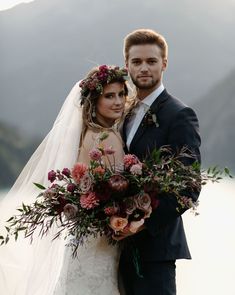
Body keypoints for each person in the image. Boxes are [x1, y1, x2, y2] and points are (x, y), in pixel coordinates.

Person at [0, 65, 128, 295]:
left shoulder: (86, 134)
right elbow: (119, 193)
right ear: (93, 101)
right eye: (109, 96)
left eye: (121, 94)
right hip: (100, 245)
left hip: (83, 241)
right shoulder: (108, 137)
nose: (118, 101)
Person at [117, 29, 201, 295]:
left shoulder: (180, 115)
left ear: (164, 63)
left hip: (156, 250)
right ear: (127, 65)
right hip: (117, 249)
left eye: (151, 61)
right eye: (137, 61)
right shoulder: (123, 113)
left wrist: (141, 225)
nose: (144, 68)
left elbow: (189, 187)